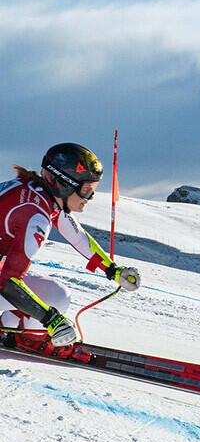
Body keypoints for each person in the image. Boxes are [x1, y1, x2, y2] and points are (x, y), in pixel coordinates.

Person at [0, 142, 140, 350]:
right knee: (53, 301)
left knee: (57, 295)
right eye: (86, 189)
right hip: (4, 280)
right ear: (63, 183)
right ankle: (17, 333)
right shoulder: (35, 215)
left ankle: (13, 330)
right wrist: (51, 320)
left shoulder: (38, 193)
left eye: (93, 189)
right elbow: (8, 283)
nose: (90, 197)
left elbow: (77, 237)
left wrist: (112, 269)